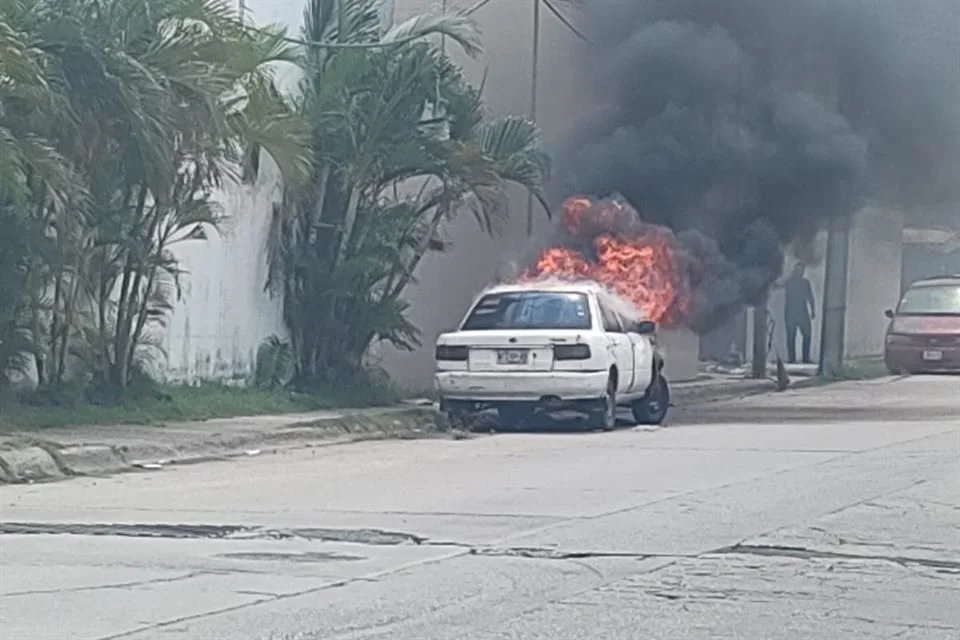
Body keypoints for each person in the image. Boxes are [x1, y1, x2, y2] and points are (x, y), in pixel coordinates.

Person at [784, 262, 816, 364]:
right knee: (791, 336)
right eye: (798, 270)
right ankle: (791, 358)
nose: (800, 272)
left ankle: (805, 357)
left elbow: (810, 297)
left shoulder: (805, 283)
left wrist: (813, 310)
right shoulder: (789, 282)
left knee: (807, 335)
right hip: (791, 312)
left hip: (802, 312)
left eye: (801, 270)